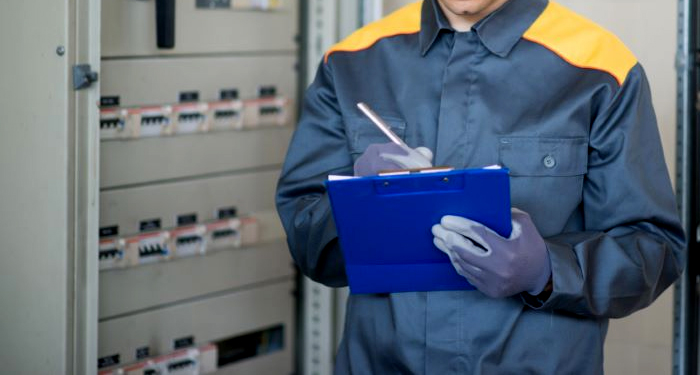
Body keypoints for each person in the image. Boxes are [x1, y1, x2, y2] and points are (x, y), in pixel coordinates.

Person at [276, 0, 687, 373]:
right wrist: (355, 207)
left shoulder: (599, 69)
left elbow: (654, 248)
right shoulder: (351, 62)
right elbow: (307, 239)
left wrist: (548, 271)